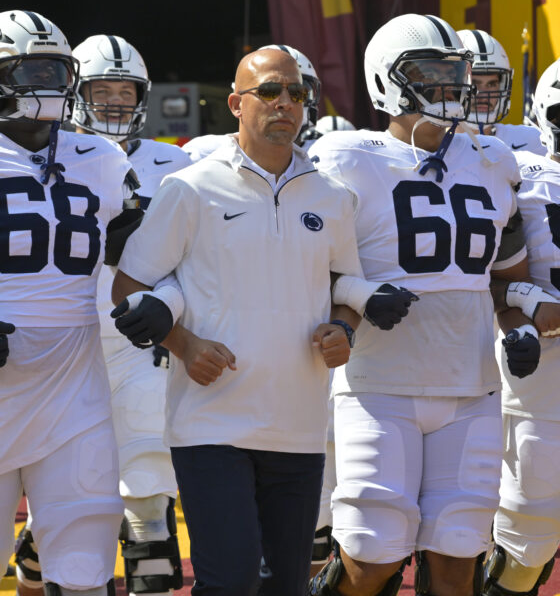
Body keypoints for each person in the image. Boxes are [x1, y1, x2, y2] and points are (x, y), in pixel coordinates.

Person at [111, 47, 363, 595]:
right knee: (230, 581)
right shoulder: (190, 188)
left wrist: (344, 328)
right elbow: (128, 286)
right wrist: (182, 343)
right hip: (209, 424)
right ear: (235, 103)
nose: (286, 106)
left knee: (286, 586)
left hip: (299, 428)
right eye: (269, 92)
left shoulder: (334, 197)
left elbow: (347, 287)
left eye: (296, 94)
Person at [307, 13, 544, 596]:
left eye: (456, 72)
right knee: (371, 557)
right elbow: (308, 269)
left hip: (472, 383)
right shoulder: (346, 158)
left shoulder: (492, 161)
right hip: (379, 382)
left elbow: (506, 277)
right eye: (431, 73)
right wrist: (357, 295)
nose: (452, 87)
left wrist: (517, 322)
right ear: (387, 81)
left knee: (459, 554)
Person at [14, 35, 190, 596]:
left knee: (144, 504)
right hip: (56, 343)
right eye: (101, 89)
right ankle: (36, 558)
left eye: (126, 90)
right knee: (60, 515)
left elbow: (194, 264)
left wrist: (172, 309)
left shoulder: (172, 163)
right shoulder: (34, 153)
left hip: (133, 343)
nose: (115, 101)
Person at [0, 10, 143, 596]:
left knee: (85, 564)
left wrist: (161, 304)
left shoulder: (103, 159)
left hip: (74, 392)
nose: (49, 83)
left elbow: (144, 260)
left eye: (57, 69)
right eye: (31, 69)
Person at [481, 59, 560, 596]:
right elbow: (476, 272)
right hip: (542, 362)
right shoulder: (515, 169)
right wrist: (531, 301)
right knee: (531, 520)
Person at [181, 43, 322, 162]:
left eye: (298, 92)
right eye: (269, 91)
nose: (285, 102)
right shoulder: (204, 155)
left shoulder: (327, 153)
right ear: (237, 104)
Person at [457, 29, 546, 155]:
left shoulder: (533, 141)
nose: (483, 95)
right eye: (474, 84)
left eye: (491, 84)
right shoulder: (432, 147)